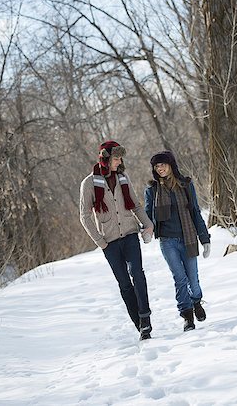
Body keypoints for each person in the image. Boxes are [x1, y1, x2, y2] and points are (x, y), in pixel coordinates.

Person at [80, 141, 154, 340]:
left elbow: (136, 205)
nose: (119, 162)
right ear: (105, 159)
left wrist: (148, 225)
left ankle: (146, 319)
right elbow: (85, 216)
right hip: (109, 242)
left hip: (130, 234)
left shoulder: (123, 177)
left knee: (137, 274)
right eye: (116, 158)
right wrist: (100, 242)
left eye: (120, 158)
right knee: (124, 283)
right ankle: (138, 324)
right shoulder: (89, 183)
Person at [144, 150, 211, 332]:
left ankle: (196, 301)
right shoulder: (152, 190)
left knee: (193, 280)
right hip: (167, 241)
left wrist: (205, 239)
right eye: (156, 166)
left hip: (187, 237)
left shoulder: (185, 185)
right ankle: (187, 316)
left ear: (171, 165)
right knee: (179, 279)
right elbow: (148, 215)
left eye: (162, 165)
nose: (160, 169)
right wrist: (147, 230)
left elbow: (195, 212)